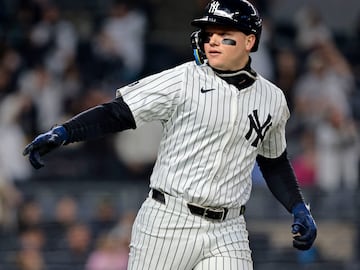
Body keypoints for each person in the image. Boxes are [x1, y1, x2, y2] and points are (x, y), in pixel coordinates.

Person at [23, 1, 317, 269]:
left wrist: (297, 206)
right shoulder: (183, 79)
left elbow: (273, 161)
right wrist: (64, 132)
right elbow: (117, 113)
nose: (212, 39)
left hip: (229, 228)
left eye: (222, 32)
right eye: (208, 32)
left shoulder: (272, 99)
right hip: (168, 222)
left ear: (249, 41)